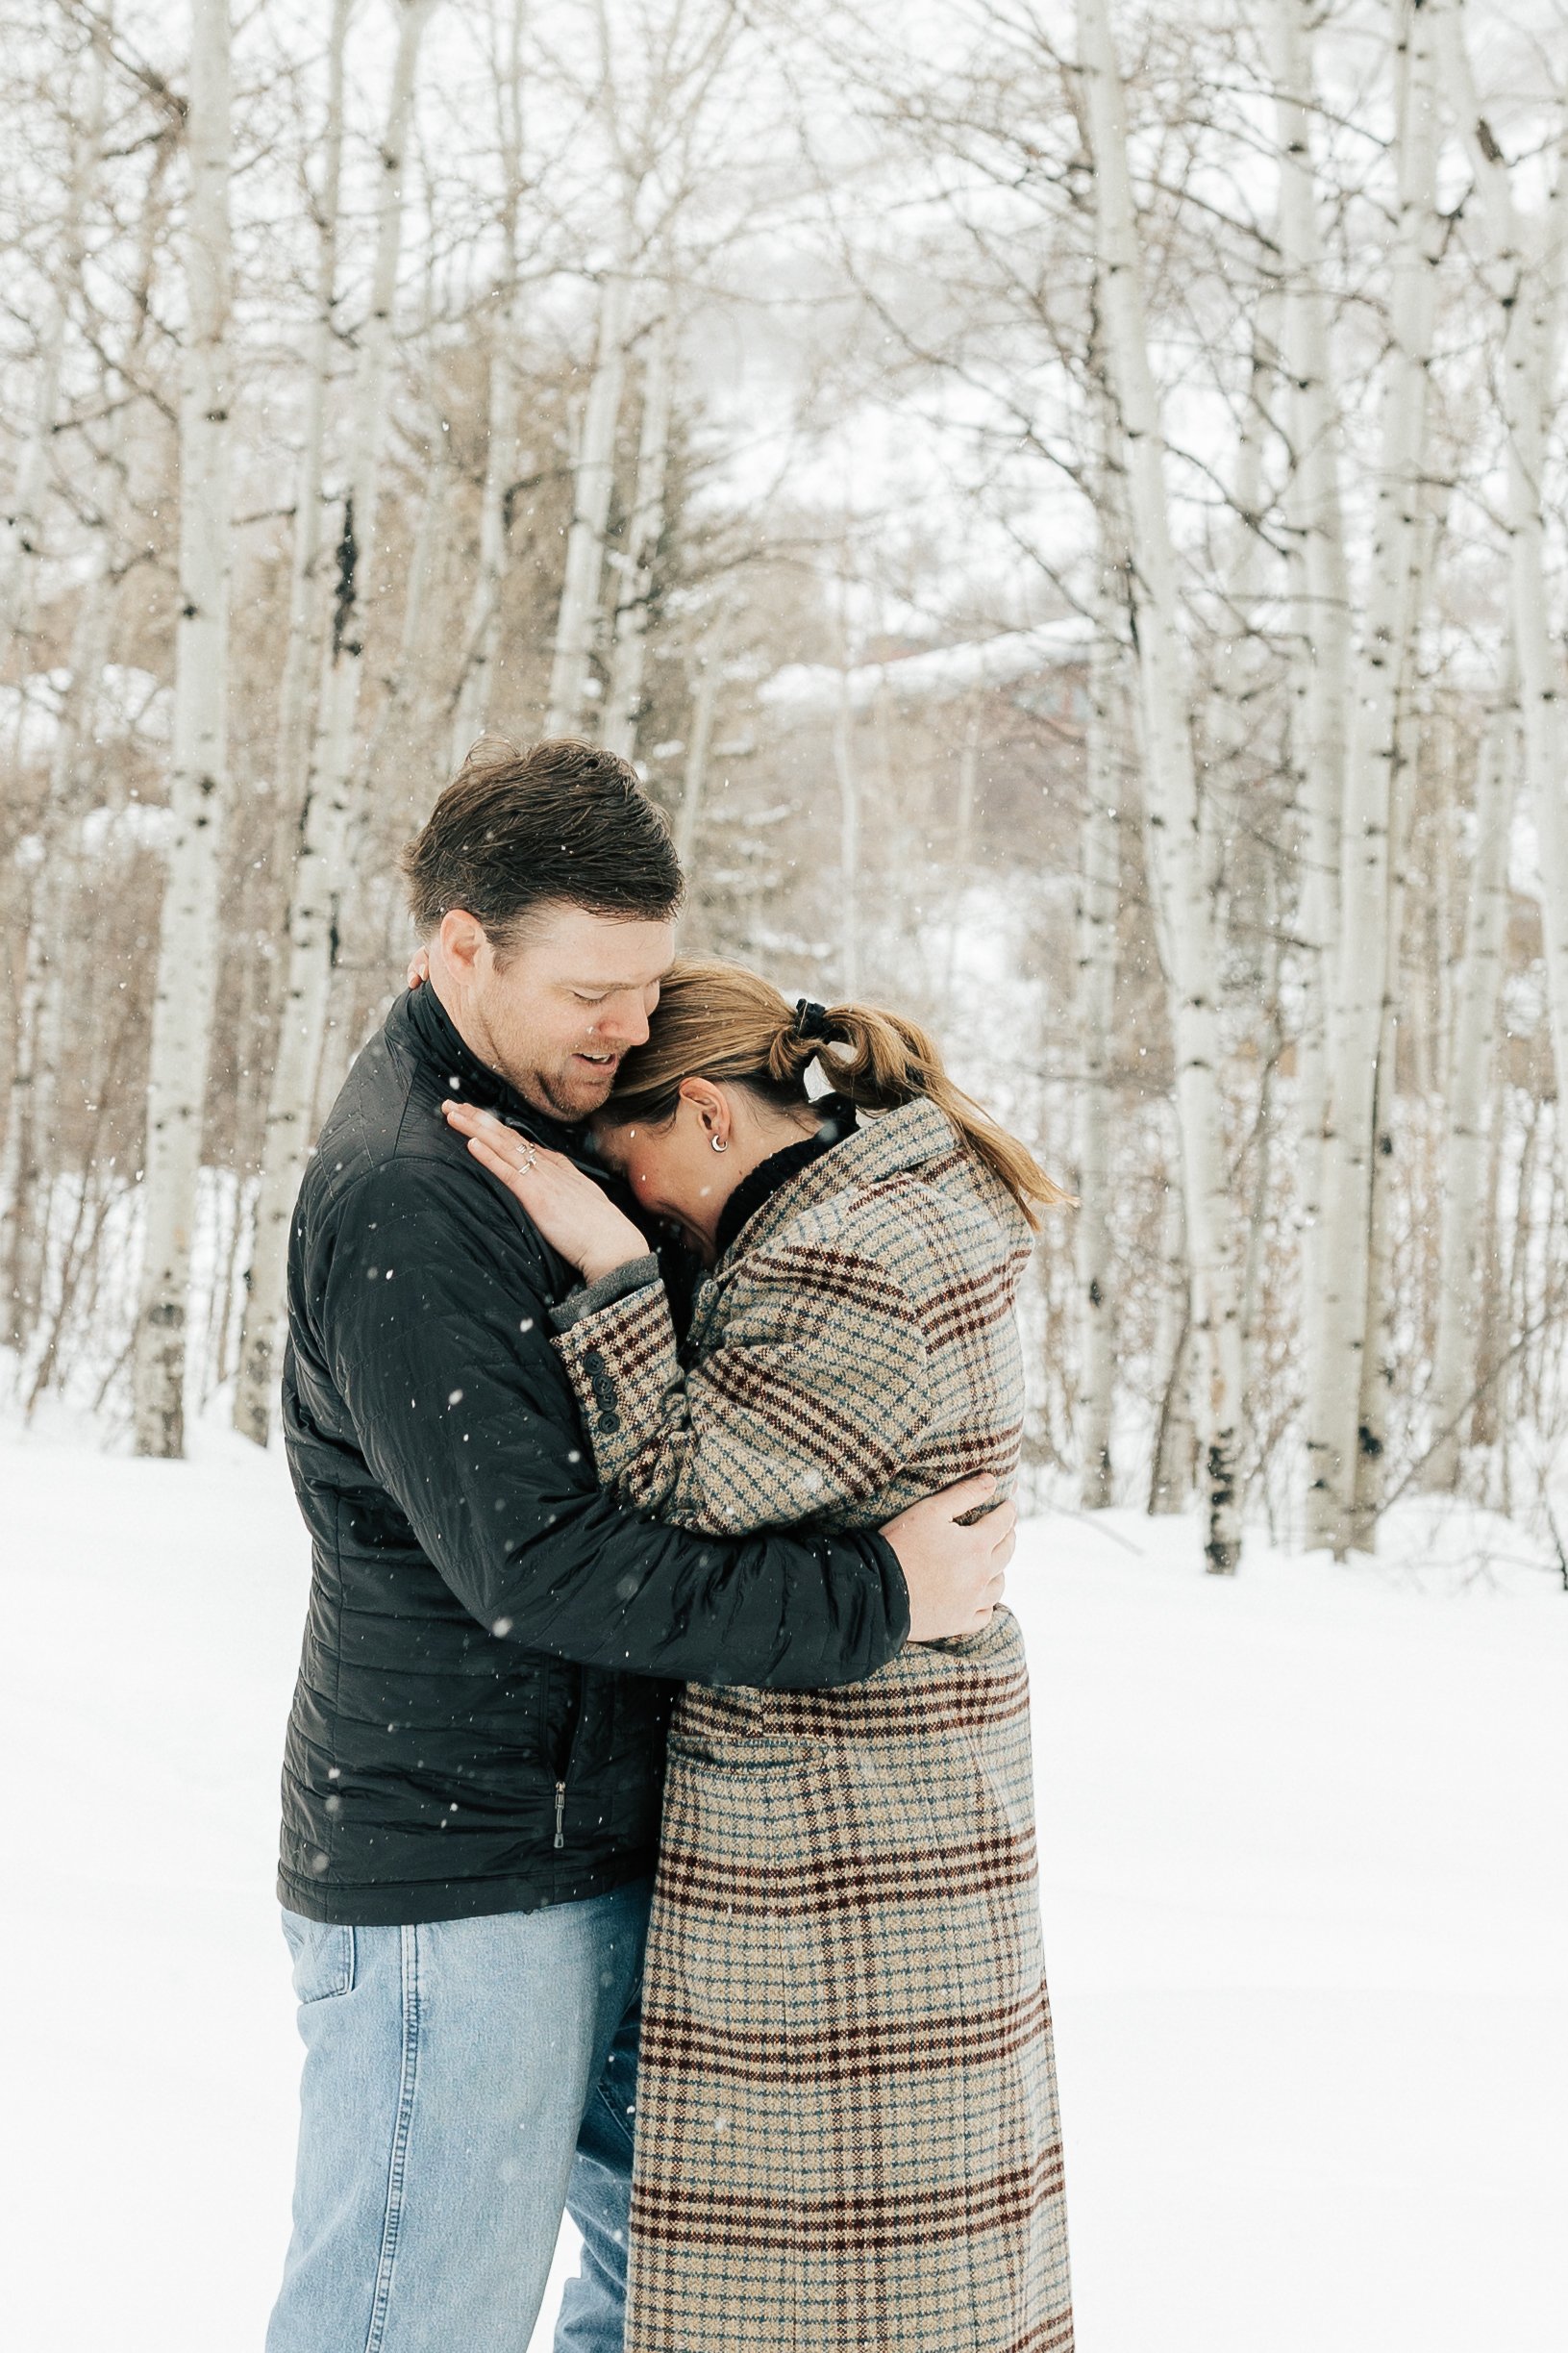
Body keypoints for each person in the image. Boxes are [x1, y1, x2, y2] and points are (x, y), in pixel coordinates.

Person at [266, 741, 1015, 2353]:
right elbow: (541, 1568)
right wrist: (883, 1595)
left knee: (653, 2311)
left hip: (615, 1849)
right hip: (463, 1883)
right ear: (460, 946)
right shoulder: (412, 1195)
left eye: (648, 984)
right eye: (591, 988)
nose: (623, 1028)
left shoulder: (552, 1126)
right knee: (414, 2316)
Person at [441, 958, 1075, 2353]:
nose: (636, 1206)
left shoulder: (846, 1259)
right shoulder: (891, 1195)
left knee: (829, 2275)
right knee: (884, 2259)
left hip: (839, 1825)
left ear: (714, 1118)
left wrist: (608, 1274)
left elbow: (675, 1487)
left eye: (633, 1165)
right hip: (899, 1794)